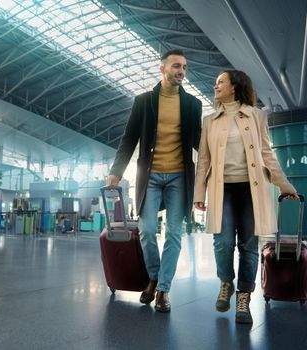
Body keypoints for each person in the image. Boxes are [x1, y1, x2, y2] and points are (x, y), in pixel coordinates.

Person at [193, 70, 298, 324]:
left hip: (252, 189)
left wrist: (284, 184)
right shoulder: (210, 121)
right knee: (223, 242)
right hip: (223, 189)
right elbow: (204, 159)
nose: (215, 85)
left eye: (220, 82)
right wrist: (199, 193)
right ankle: (226, 281)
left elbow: (266, 153)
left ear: (235, 86)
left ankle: (244, 296)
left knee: (249, 246)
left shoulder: (257, 115)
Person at [107, 49, 202, 312]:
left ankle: (162, 290)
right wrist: (116, 172)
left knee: (174, 232)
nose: (181, 71)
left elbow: (199, 143)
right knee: (147, 231)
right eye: (176, 66)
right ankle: (153, 275)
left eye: (184, 67)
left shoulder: (193, 105)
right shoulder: (144, 101)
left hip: (179, 178)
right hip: (149, 176)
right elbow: (129, 139)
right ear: (162, 69)